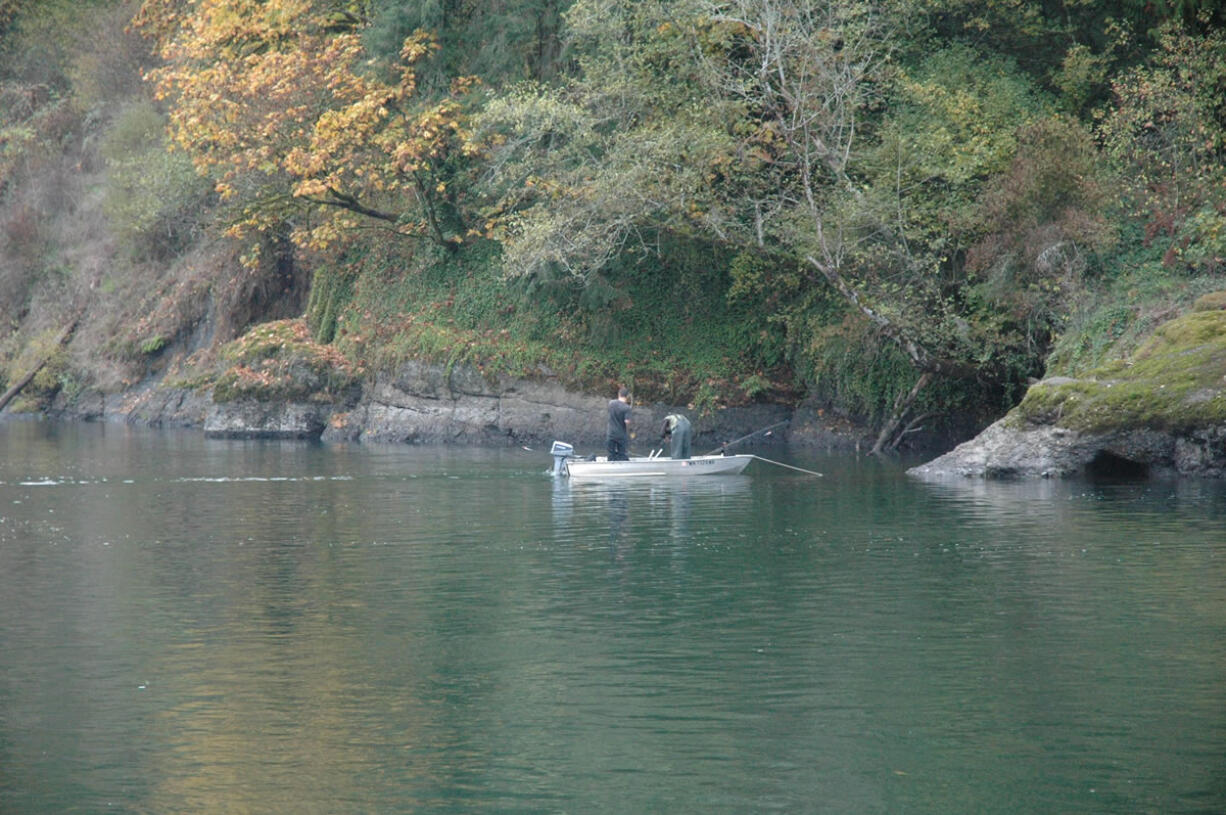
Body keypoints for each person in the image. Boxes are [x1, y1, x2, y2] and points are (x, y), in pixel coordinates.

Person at [606, 386, 632, 461]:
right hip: (621, 435)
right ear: (627, 396)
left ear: (619, 394)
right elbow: (627, 421)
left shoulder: (611, 403)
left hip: (610, 434)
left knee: (611, 455)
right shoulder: (627, 408)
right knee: (622, 455)